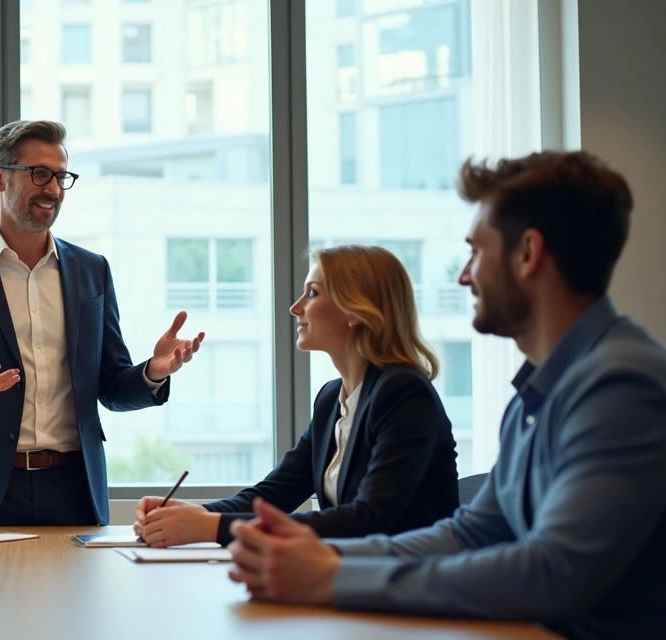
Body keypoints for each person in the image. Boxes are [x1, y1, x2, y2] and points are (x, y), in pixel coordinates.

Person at [226, 151, 666, 640]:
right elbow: (470, 534)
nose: (464, 275)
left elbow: (553, 574)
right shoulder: (534, 396)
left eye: (476, 252)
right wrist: (319, 557)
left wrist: (332, 577)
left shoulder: (622, 384)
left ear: (527, 253)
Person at [0, 119, 205, 526]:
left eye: (61, 177)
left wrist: (153, 372)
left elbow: (110, 387)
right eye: (39, 174)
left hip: (75, 487)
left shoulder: (91, 270)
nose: (53, 189)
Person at [134, 245, 458, 547]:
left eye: (312, 293)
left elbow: (368, 519)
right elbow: (275, 494)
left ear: (355, 311)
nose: (295, 308)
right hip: (358, 577)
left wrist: (213, 526)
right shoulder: (332, 398)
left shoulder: (404, 392)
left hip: (413, 581)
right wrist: (195, 515)